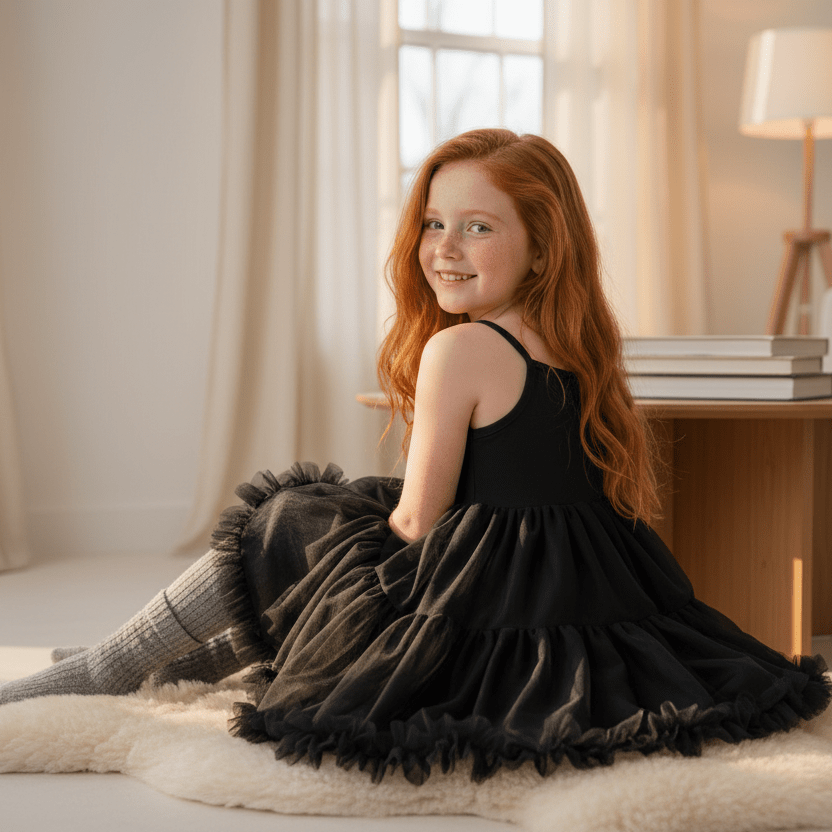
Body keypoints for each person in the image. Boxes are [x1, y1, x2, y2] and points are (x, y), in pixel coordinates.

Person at [1, 129, 829, 786]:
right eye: (435, 223)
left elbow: (419, 519)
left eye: (478, 227)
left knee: (290, 519)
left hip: (487, 595)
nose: (445, 247)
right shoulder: (580, 343)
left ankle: (114, 663)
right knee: (327, 528)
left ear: (542, 247)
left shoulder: (462, 349)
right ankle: (133, 659)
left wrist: (354, 527)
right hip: (576, 580)